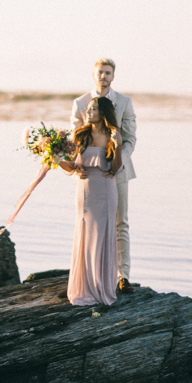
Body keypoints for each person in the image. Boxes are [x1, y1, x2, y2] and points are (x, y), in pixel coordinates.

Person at [71, 58, 137, 293]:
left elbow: (130, 138)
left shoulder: (124, 102)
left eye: (108, 73)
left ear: (113, 76)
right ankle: (85, 277)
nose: (103, 76)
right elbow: (75, 140)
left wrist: (116, 162)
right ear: (93, 74)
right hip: (89, 174)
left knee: (121, 222)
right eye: (100, 72)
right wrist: (75, 164)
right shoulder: (80, 103)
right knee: (86, 222)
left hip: (117, 171)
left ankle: (122, 276)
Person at [59, 96, 122, 306]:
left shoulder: (113, 135)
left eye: (93, 109)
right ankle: (83, 287)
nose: (88, 113)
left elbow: (115, 169)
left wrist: (119, 145)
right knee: (85, 233)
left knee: (103, 234)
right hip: (85, 190)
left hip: (105, 187)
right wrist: (55, 157)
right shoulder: (81, 134)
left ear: (103, 113)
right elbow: (72, 164)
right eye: (88, 109)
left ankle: (101, 286)